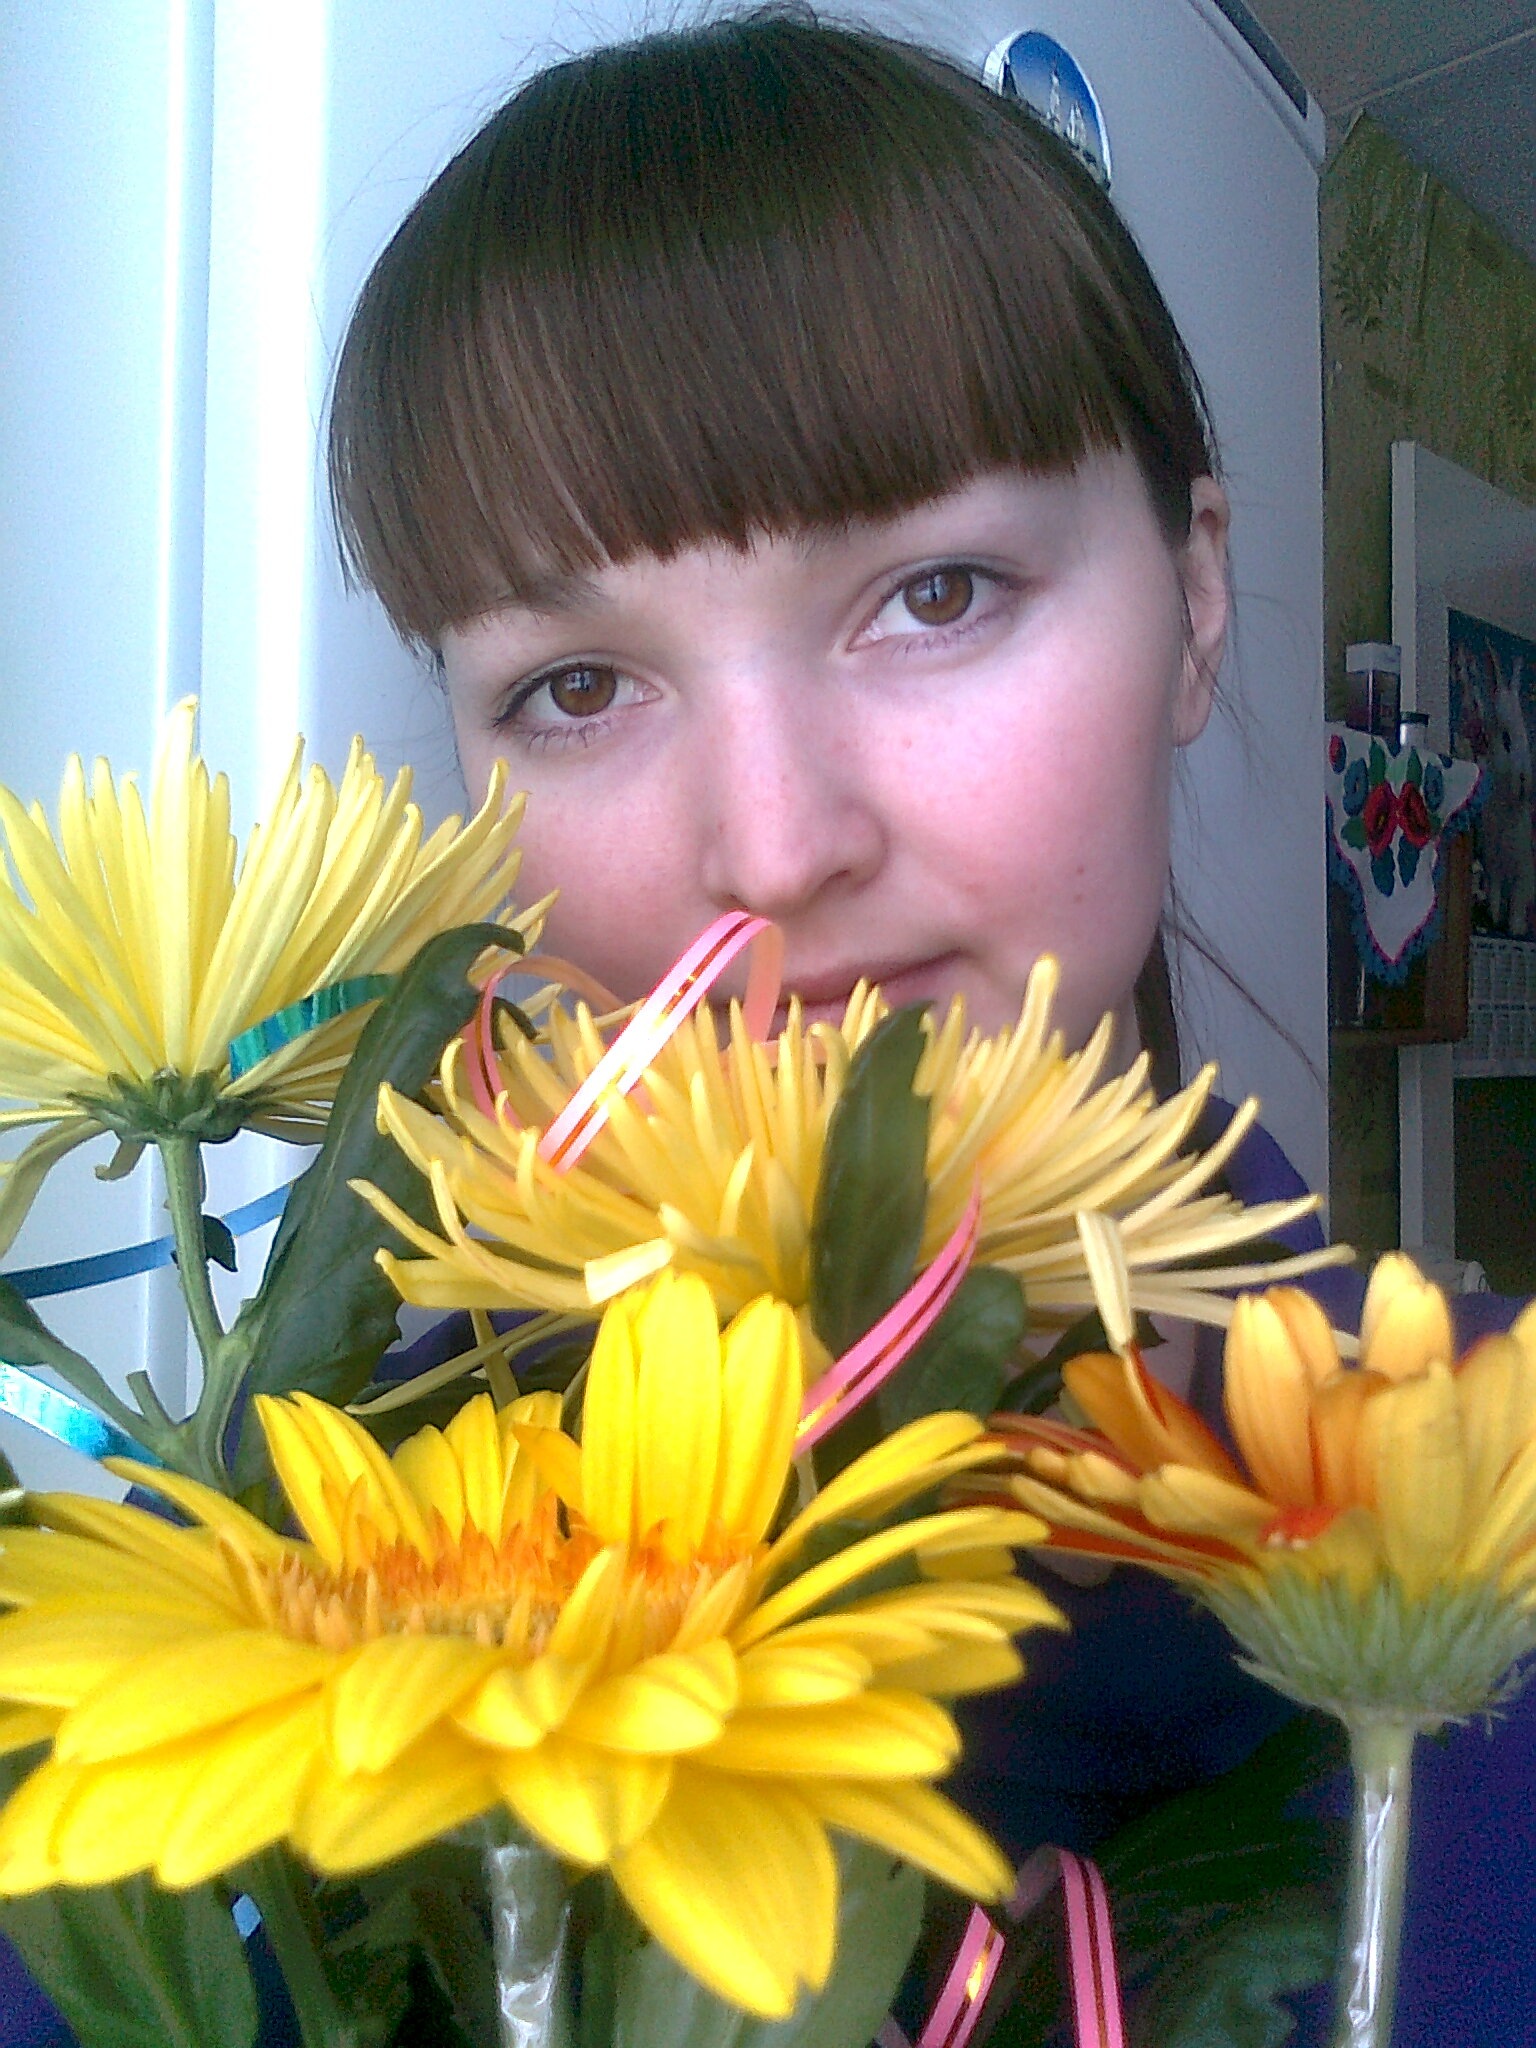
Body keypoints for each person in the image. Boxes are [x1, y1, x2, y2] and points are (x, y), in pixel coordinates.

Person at [3, 11, 1526, 2044]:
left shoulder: (1500, 1502)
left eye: (936, 593)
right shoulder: (271, 1616)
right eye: (576, 687)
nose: (777, 846)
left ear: (1196, 595)